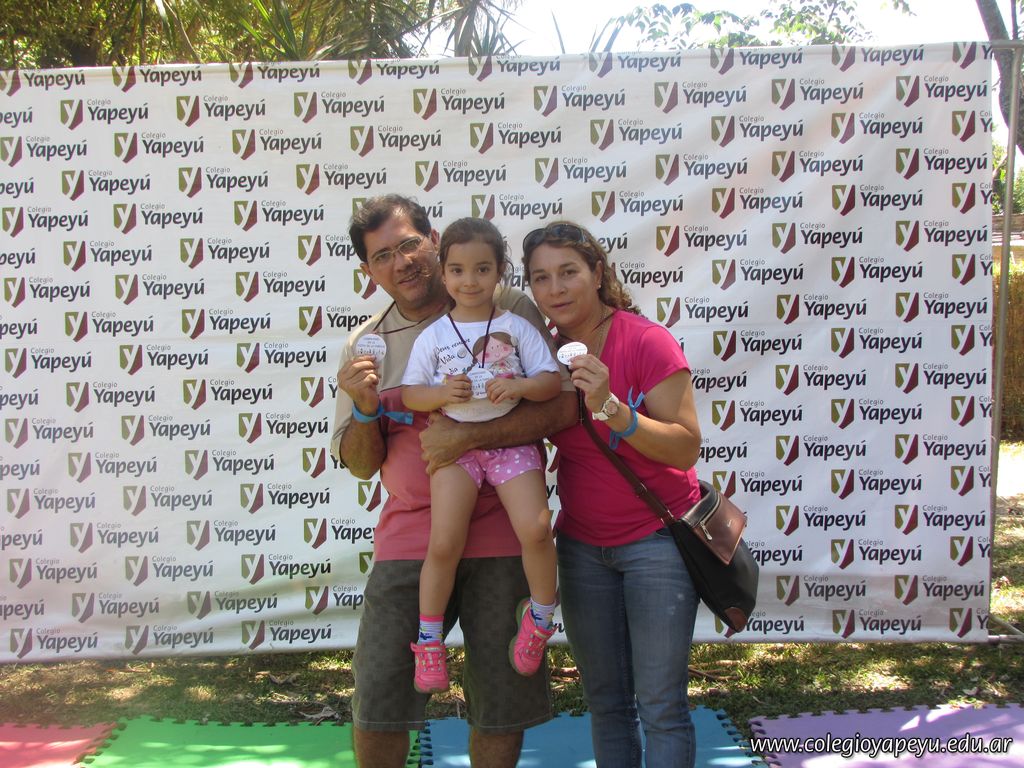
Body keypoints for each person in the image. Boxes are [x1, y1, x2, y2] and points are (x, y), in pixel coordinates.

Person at [331, 196, 575, 768]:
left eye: (408, 244)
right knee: (380, 702)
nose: (401, 262)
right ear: (369, 271)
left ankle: (540, 620)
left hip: (503, 539)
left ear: (433, 241)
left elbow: (562, 407)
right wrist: (365, 407)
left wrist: (467, 438)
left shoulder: (509, 308)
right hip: (412, 542)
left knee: (502, 706)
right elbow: (361, 464)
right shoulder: (366, 346)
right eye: (383, 256)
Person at [521, 221, 703, 768]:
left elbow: (685, 448)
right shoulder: (540, 353)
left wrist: (614, 410)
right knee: (606, 704)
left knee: (661, 705)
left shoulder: (645, 339)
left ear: (597, 273)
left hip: (657, 541)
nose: (556, 289)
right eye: (541, 278)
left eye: (568, 272)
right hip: (580, 549)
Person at [402, 218, 561, 693]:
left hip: (511, 445)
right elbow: (411, 394)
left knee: (537, 529)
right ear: (443, 273)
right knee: (444, 544)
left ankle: (540, 619)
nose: (469, 281)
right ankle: (429, 641)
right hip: (456, 450)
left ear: (500, 273)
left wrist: (520, 386)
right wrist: (439, 394)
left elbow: (551, 382)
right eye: (457, 270)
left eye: (482, 269)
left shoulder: (516, 326)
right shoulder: (433, 335)